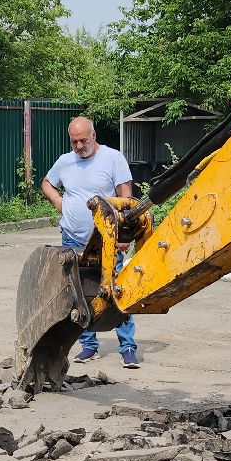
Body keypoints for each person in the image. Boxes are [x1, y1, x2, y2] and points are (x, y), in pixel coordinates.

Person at [41, 116, 140, 369]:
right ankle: (88, 345)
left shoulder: (112, 158)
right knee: (79, 293)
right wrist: (61, 204)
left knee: (118, 290)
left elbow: (125, 198)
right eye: (74, 141)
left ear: (94, 135)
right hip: (72, 238)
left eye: (83, 140)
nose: (78, 146)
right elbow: (47, 183)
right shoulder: (65, 161)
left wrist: (123, 234)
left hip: (106, 239)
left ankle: (127, 347)